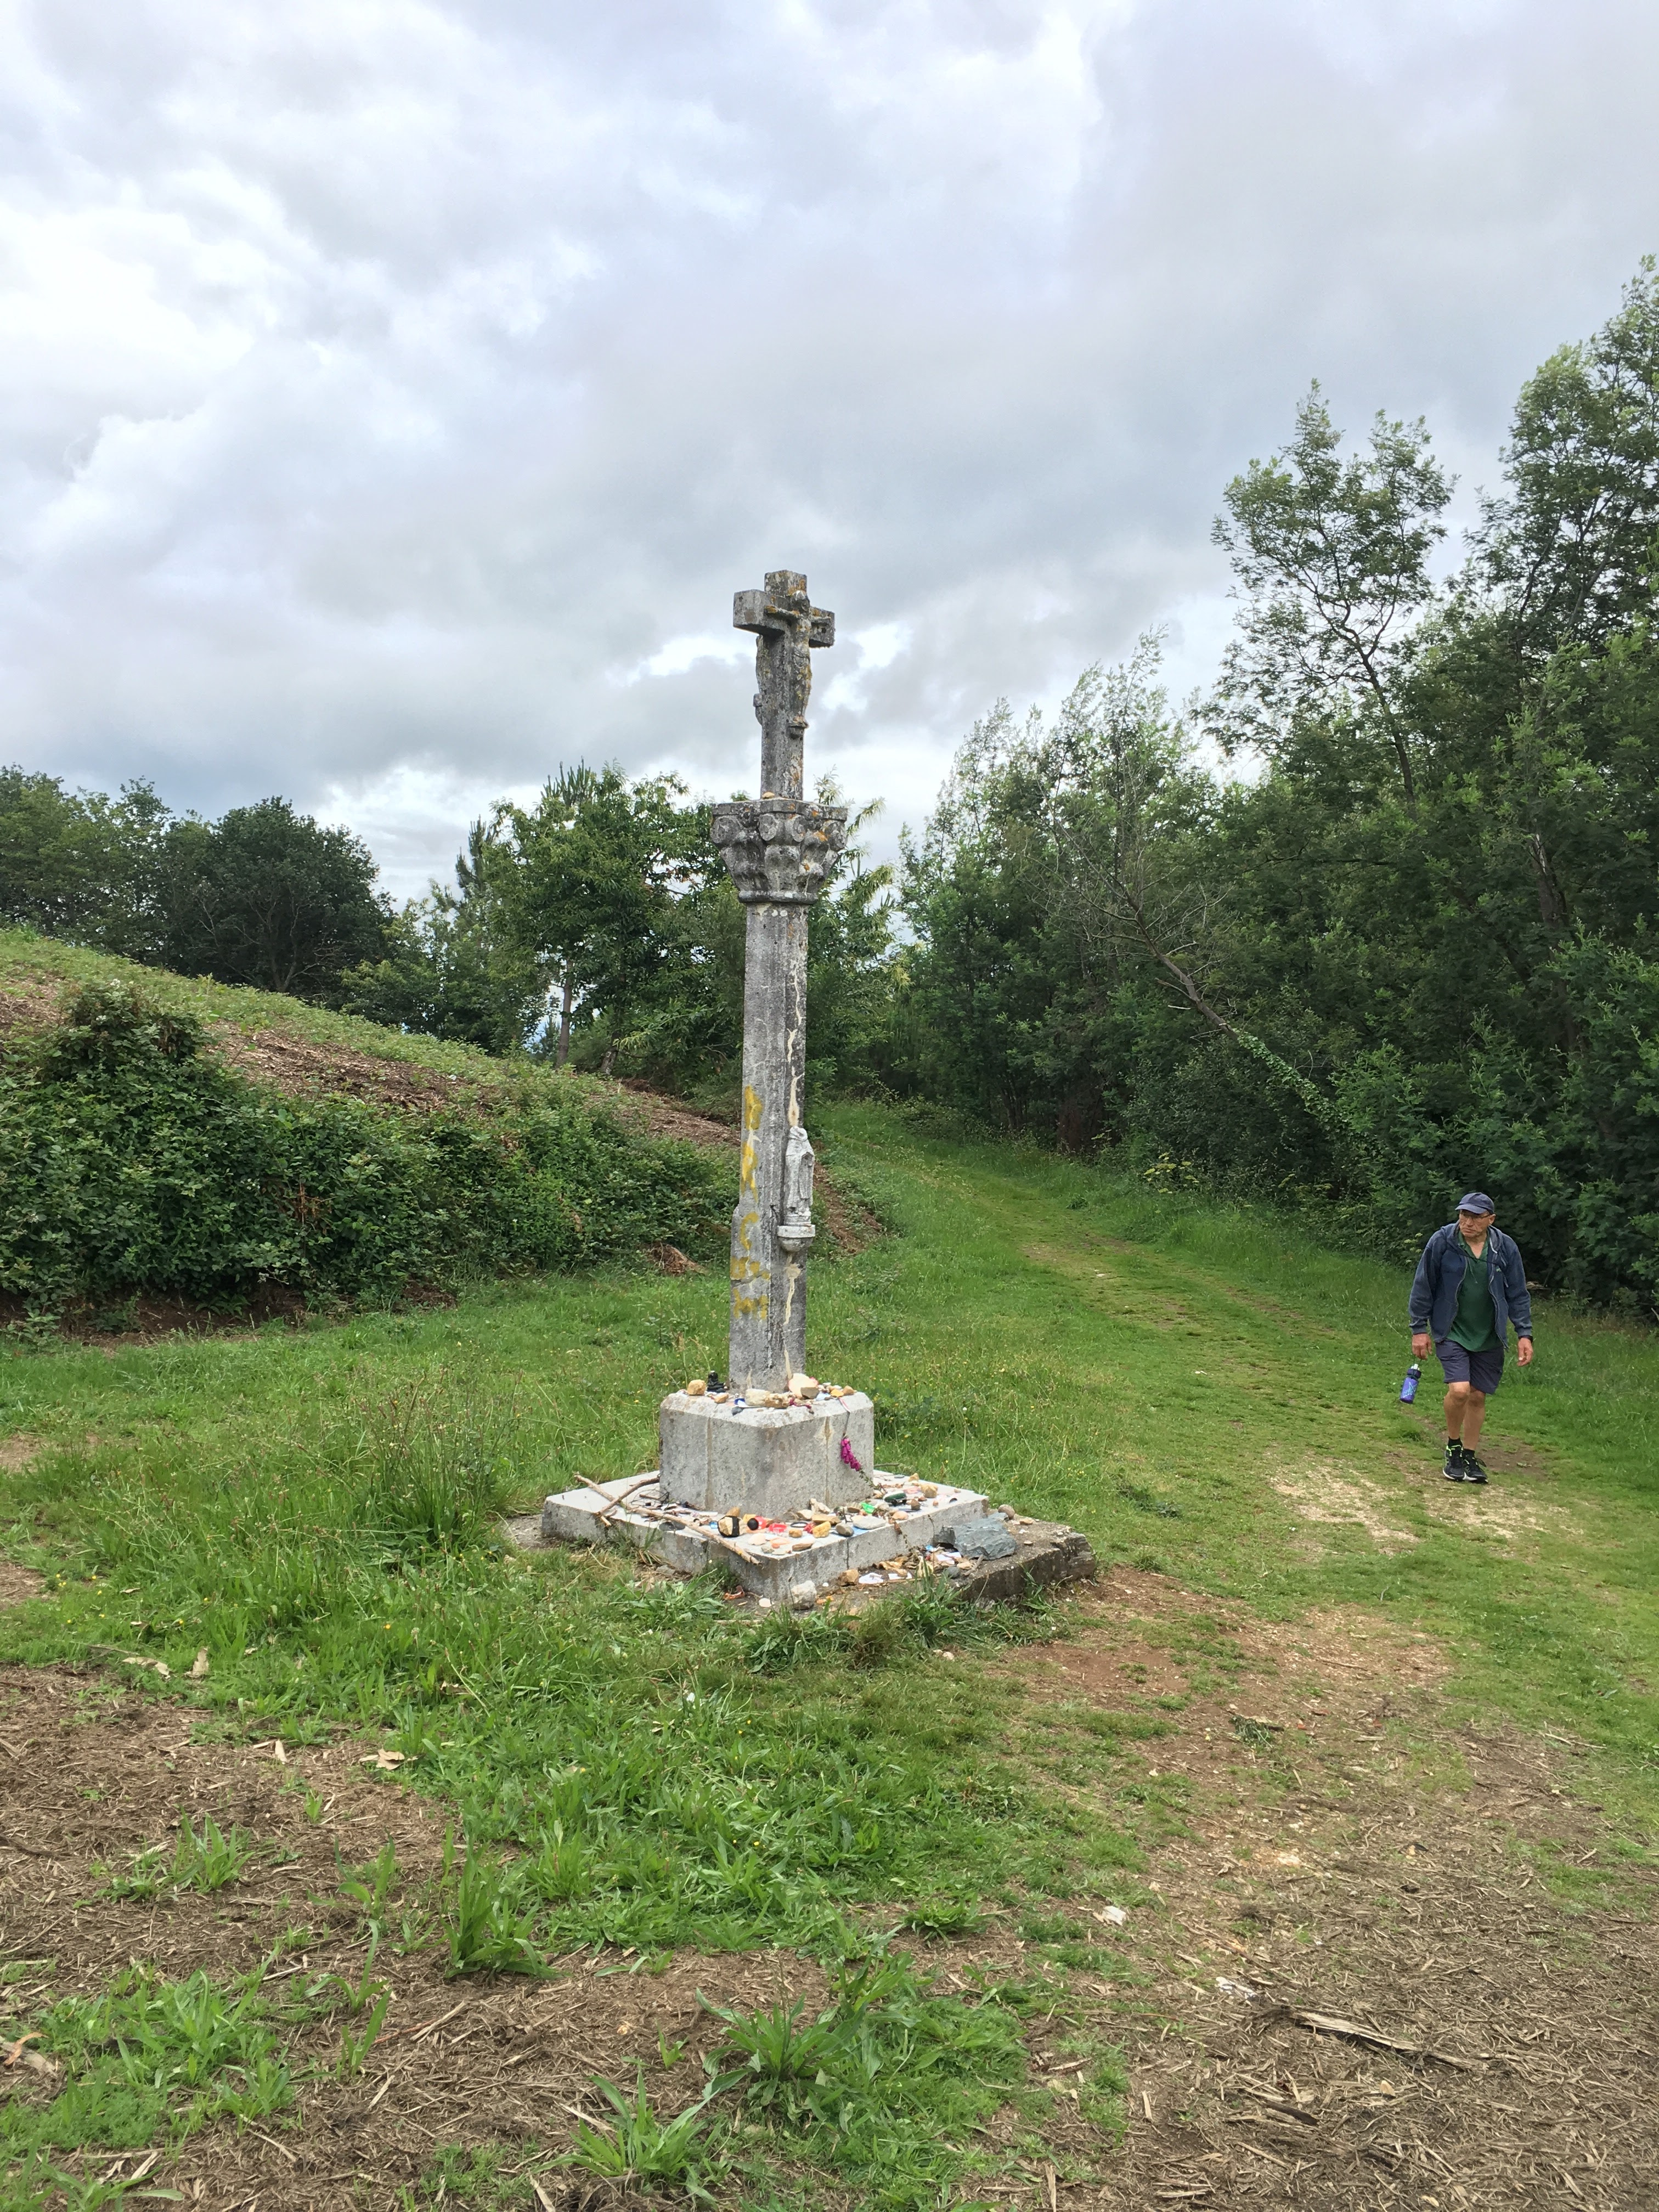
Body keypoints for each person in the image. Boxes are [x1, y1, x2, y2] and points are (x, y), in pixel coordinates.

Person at [1408, 1192, 1534, 1483]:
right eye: (1464, 1215)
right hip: (1451, 1328)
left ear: (1491, 1220)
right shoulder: (1443, 1241)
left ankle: (1469, 1454)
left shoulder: (1504, 1247)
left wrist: (1524, 1334)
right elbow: (1423, 1284)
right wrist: (1419, 1329)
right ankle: (1453, 1448)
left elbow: (1518, 1293)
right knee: (1460, 1391)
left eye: (1476, 1217)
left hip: (1489, 1333)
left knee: (1477, 1396)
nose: (1468, 1222)